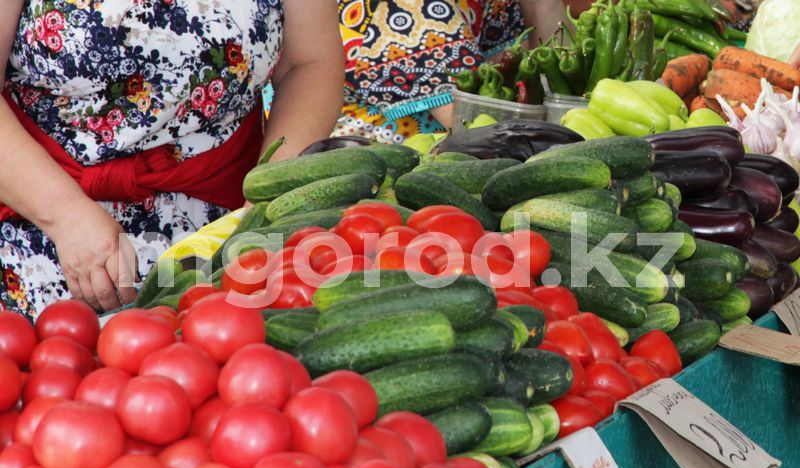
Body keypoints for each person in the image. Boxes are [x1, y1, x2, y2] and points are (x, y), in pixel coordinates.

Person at [0, 0, 344, 320]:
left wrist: (268, 195)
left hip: (229, 226)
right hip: (41, 222)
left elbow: (309, 63)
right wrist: (64, 217)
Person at [332, 0, 567, 143]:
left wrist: (541, 4)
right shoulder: (406, 6)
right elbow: (477, 127)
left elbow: (542, 75)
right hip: (381, 176)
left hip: (450, 166)